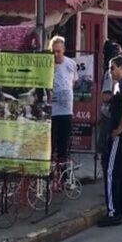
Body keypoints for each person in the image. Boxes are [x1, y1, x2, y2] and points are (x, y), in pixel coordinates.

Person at [98, 56, 122, 227]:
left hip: (121, 136)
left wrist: (119, 128)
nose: (110, 71)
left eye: (112, 67)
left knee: (111, 172)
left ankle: (113, 213)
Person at [98, 40, 122, 186]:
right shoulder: (110, 73)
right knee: (107, 148)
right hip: (109, 114)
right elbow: (105, 95)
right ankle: (108, 179)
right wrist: (120, 97)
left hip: (114, 115)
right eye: (119, 53)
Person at [49, 35, 77, 163]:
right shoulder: (48, 64)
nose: (56, 54)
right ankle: (49, 176)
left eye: (58, 51)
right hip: (51, 111)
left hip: (66, 111)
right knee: (50, 144)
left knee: (63, 146)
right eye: (53, 51)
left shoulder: (71, 63)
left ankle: (62, 177)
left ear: (64, 50)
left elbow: (73, 82)